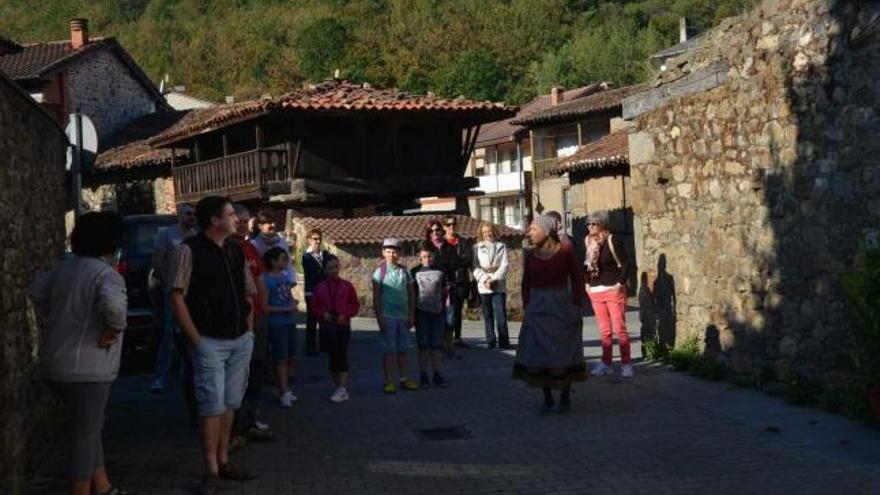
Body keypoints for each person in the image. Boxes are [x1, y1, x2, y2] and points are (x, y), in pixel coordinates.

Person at [29, 212, 128, 495]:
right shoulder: (106, 274)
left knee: (86, 426)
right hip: (89, 368)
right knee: (84, 436)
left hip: (54, 362)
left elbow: (37, 292)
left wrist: (59, 315)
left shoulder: (63, 269)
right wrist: (114, 328)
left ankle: (104, 485)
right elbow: (114, 308)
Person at [169, 196, 258, 495]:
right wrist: (197, 340)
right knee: (212, 406)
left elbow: (249, 292)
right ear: (215, 221)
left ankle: (223, 461)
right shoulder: (188, 250)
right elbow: (176, 295)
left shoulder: (235, 250)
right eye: (232, 214)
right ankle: (210, 471)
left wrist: (249, 332)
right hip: (209, 342)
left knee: (230, 403)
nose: (239, 219)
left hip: (239, 340)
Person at [513, 214, 587, 413]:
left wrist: (576, 305)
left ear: (546, 232)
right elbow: (526, 282)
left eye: (534, 229)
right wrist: (527, 305)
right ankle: (547, 397)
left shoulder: (565, 252)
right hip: (538, 305)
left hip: (560, 304)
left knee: (563, 349)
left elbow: (577, 278)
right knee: (539, 352)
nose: (530, 233)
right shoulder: (530, 254)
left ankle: (564, 395)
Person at [230, 204, 273, 451]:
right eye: (239, 220)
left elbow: (259, 279)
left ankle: (250, 421)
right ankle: (234, 430)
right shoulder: (228, 249)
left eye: (247, 221)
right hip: (238, 322)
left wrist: (264, 308)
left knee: (257, 371)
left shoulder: (249, 248)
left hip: (257, 318)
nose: (244, 225)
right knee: (238, 377)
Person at [150, 203, 197, 393]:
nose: (191, 217)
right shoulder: (167, 235)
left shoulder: (196, 236)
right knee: (170, 334)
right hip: (173, 292)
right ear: (180, 215)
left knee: (191, 333)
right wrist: (166, 283)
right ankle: (160, 376)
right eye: (188, 213)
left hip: (192, 293)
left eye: (194, 214)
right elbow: (158, 260)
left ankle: (187, 374)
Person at [584, 210, 633, 378]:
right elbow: (587, 266)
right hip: (596, 291)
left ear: (602, 224)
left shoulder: (612, 240)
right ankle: (606, 363)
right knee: (604, 331)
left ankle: (626, 364)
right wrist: (586, 284)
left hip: (613, 289)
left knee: (620, 328)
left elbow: (626, 264)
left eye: (593, 224)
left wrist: (619, 284)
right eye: (588, 224)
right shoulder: (588, 242)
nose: (590, 227)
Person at [310, 255, 360, 403]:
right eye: (330, 268)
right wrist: (323, 314)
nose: (333, 270)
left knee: (342, 356)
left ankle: (342, 388)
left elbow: (355, 305)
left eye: (335, 267)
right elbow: (314, 307)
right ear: (324, 270)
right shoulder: (320, 287)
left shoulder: (346, 285)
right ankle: (339, 388)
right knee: (332, 358)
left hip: (342, 327)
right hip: (327, 327)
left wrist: (345, 314)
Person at [372, 238, 418, 394]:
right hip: (387, 317)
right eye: (389, 251)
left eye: (395, 251)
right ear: (383, 253)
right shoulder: (380, 272)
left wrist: (412, 315)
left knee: (404, 350)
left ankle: (405, 379)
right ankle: (389, 381)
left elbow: (412, 294)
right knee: (388, 351)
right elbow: (376, 298)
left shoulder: (405, 272)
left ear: (400, 253)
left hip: (403, 317)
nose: (392, 254)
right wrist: (379, 320)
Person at [263, 247, 299, 407]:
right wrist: (287, 309)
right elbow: (265, 307)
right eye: (283, 259)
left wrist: (293, 304)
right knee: (280, 358)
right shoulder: (265, 280)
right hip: (277, 324)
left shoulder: (284, 277)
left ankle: (283, 389)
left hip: (290, 322)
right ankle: (283, 391)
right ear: (273, 261)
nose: (286, 261)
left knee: (292, 356)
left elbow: (289, 296)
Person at [411, 241, 448, 388]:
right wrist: (412, 314)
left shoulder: (441, 270)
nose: (427, 259)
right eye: (424, 256)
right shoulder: (415, 272)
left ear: (434, 255)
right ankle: (423, 375)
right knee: (423, 346)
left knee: (437, 345)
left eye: (430, 256)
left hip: (438, 313)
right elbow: (412, 294)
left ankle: (438, 374)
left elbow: (446, 291)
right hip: (421, 314)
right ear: (420, 256)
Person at [473, 222, 510, 349]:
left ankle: (504, 341)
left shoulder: (502, 246)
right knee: (488, 315)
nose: (487, 234)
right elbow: (475, 266)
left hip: (498, 284)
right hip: (484, 285)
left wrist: (493, 279)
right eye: (484, 232)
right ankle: (491, 340)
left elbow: (505, 265)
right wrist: (485, 279)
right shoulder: (477, 247)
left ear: (494, 231)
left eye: (489, 231)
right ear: (481, 234)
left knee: (501, 314)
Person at [438, 216, 473, 349]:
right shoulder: (441, 243)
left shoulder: (463, 242)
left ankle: (457, 337)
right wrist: (456, 262)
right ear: (444, 226)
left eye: (454, 224)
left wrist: (453, 263)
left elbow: (468, 260)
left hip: (460, 280)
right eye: (449, 224)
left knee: (457, 310)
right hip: (445, 280)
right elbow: (441, 261)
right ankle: (445, 338)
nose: (452, 226)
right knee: (444, 310)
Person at [302, 228, 327, 356]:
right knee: (312, 320)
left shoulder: (325, 254)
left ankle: (324, 345)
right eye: (315, 239)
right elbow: (314, 273)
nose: (317, 241)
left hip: (324, 292)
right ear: (309, 240)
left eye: (319, 239)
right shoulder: (306, 256)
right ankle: (310, 347)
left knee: (324, 319)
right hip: (312, 292)